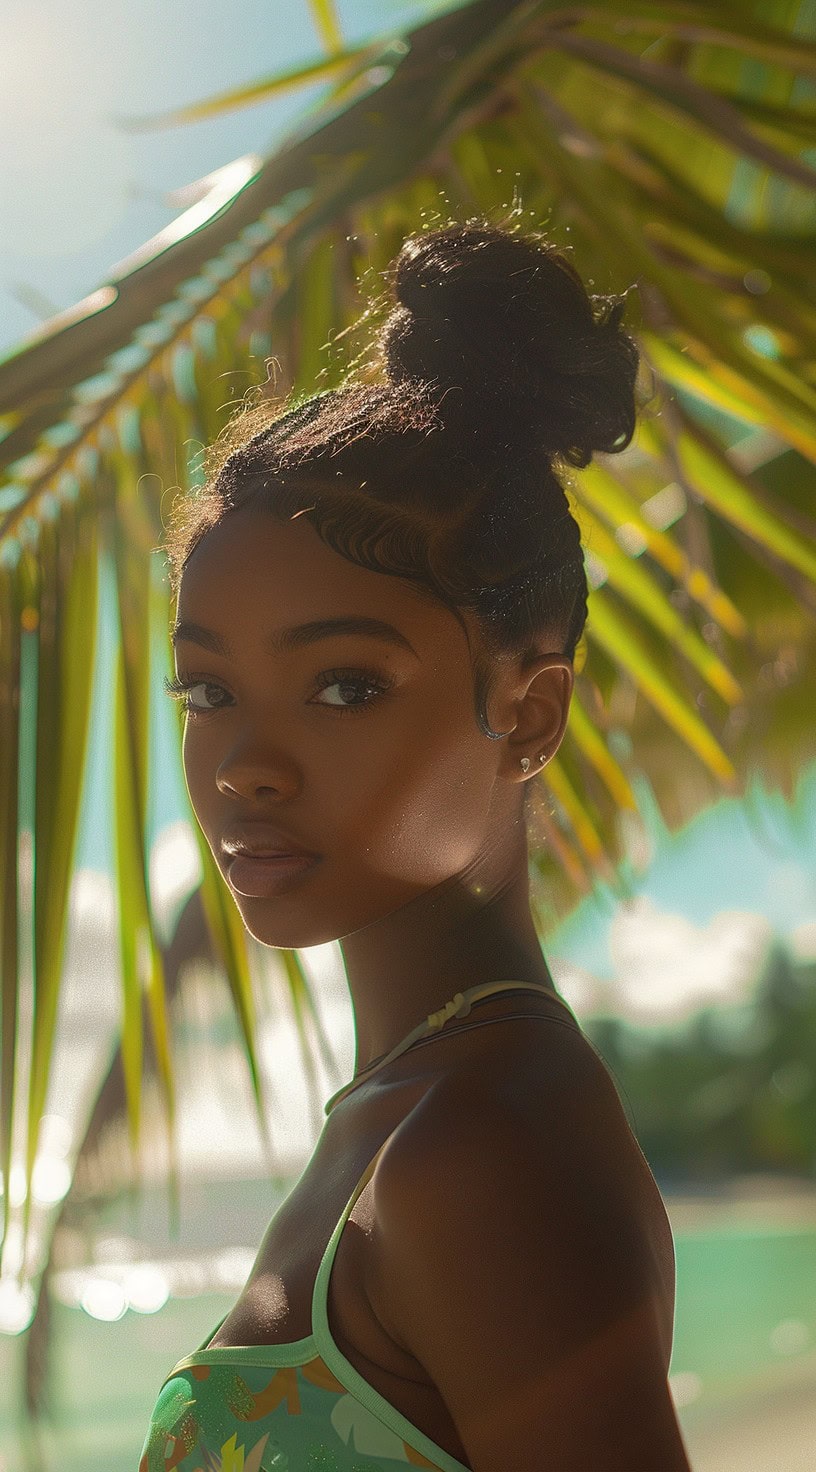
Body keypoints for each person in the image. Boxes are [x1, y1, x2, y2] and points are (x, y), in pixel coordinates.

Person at [139, 221, 692, 1471]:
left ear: (529, 713)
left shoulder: (481, 1146)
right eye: (207, 692)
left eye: (342, 686)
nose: (244, 764)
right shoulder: (418, 1111)